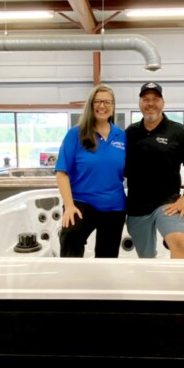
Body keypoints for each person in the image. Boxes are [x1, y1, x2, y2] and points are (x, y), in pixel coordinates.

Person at [124, 82, 184, 259]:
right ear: (140, 104)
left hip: (168, 204)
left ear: (163, 103)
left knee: (179, 243)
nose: (150, 103)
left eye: (155, 99)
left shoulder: (178, 131)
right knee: (146, 257)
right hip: (137, 207)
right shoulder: (130, 133)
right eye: (146, 99)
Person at [54, 84, 126, 258]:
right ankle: (71, 282)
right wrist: (69, 206)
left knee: (107, 256)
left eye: (107, 102)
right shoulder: (75, 134)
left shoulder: (122, 136)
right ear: (91, 105)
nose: (102, 106)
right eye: (98, 101)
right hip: (81, 203)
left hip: (114, 206)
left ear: (113, 106)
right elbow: (61, 172)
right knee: (70, 237)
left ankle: (101, 284)